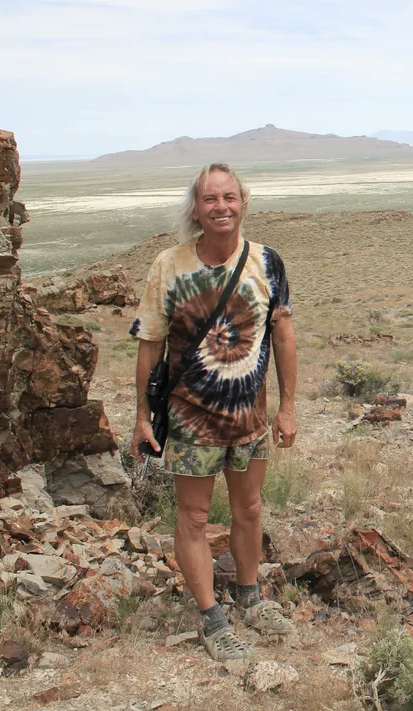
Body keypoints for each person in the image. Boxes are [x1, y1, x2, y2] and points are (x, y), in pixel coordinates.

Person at [130, 163, 298, 661]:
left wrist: (287, 408)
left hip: (250, 417)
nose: (221, 206)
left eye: (229, 197)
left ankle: (249, 596)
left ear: (243, 202)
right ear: (197, 210)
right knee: (195, 516)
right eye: (210, 199)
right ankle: (211, 617)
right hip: (190, 420)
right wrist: (142, 416)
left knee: (249, 509)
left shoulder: (268, 262)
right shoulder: (170, 266)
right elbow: (149, 345)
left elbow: (283, 336)